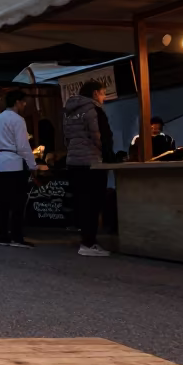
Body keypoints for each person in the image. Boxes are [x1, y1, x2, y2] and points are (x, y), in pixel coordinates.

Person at [0, 90, 44, 249]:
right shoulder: (18, 120)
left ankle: (3, 236)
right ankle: (16, 236)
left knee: (2, 203)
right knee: (17, 203)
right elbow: (23, 145)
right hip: (14, 163)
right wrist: (32, 164)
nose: (24, 104)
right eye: (23, 102)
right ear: (17, 102)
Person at [63, 80, 111, 257]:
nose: (104, 97)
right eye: (103, 93)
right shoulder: (94, 110)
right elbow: (99, 135)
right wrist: (105, 154)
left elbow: (66, 138)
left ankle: (85, 240)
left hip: (73, 161)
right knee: (94, 202)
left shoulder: (68, 111)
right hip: (91, 161)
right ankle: (89, 243)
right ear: (95, 93)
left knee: (82, 202)